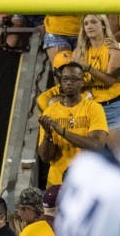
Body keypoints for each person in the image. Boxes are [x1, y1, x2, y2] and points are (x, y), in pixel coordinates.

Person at [37, 56, 109, 187]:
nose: (69, 83)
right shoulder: (50, 112)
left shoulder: (94, 108)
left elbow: (97, 145)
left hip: (88, 180)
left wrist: (62, 132)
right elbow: (46, 157)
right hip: (57, 182)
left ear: (82, 82)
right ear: (60, 82)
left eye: (74, 79)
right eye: (65, 79)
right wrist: (48, 135)